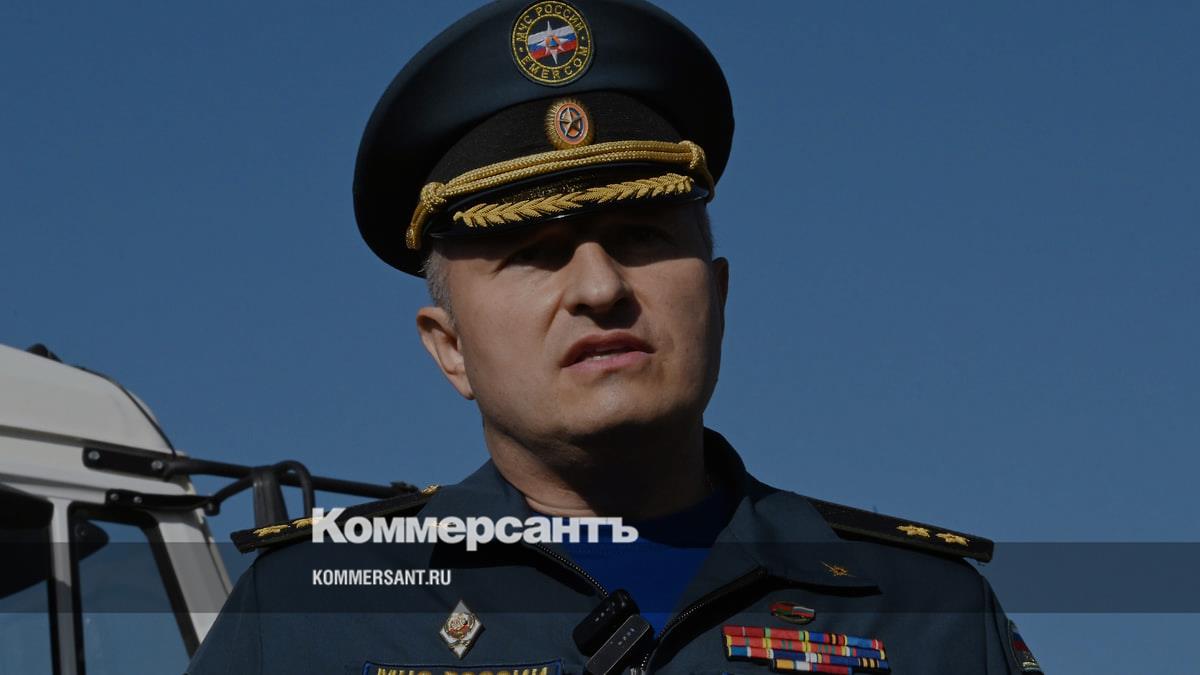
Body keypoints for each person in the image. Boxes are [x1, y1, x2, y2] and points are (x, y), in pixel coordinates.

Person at [188, 1, 1043, 673]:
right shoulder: (306, 611)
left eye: (640, 236)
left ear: (717, 294)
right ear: (448, 347)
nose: (600, 288)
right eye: (533, 253)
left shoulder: (925, 611)